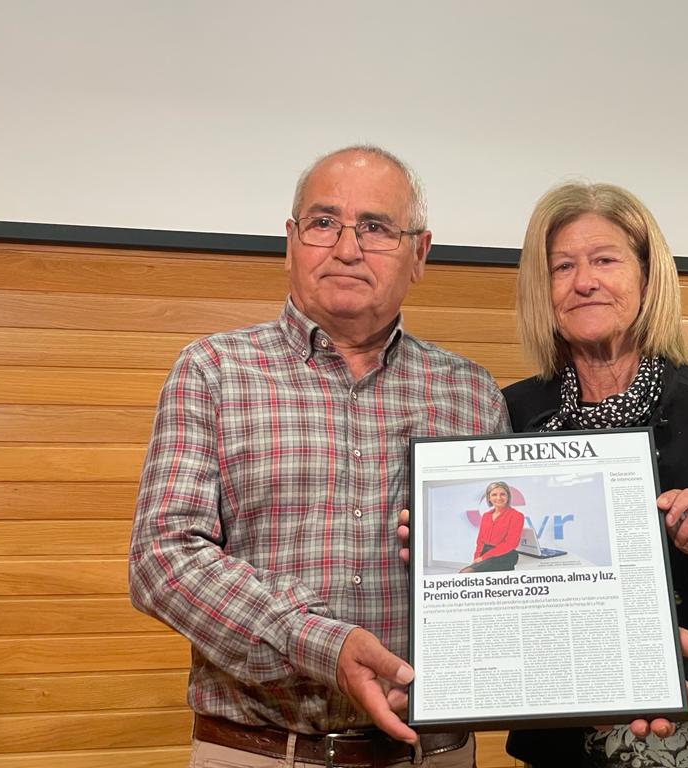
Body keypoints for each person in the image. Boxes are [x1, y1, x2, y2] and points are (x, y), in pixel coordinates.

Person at [128, 145, 510, 768]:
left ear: (420, 254)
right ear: (290, 241)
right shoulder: (214, 371)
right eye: (324, 222)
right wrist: (320, 643)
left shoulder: (470, 393)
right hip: (260, 753)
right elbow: (162, 558)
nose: (348, 248)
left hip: (433, 753)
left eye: (377, 228)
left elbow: (505, 575)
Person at [501, 182, 688, 768]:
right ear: (545, 291)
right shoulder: (507, 418)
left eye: (605, 260)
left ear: (647, 276)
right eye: (562, 266)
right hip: (568, 739)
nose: (584, 280)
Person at [460, 480, 525, 573]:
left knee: (466, 573)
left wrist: (484, 557)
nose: (498, 498)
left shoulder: (517, 516)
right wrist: (477, 557)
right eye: (494, 494)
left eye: (503, 494)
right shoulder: (486, 516)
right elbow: (480, 540)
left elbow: (511, 544)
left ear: (508, 497)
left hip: (505, 554)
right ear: (489, 498)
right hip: (486, 552)